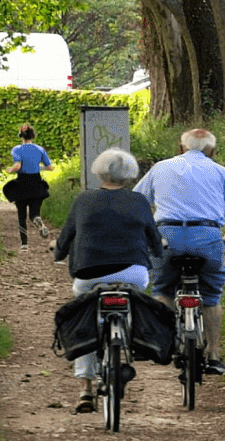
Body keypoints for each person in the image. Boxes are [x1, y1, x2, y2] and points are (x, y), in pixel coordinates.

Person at [54, 148, 163, 413]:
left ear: (99, 171)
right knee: (135, 299)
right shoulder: (138, 201)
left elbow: (67, 236)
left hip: (89, 276)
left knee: (85, 320)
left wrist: (58, 253)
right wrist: (158, 251)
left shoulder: (83, 200)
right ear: (130, 174)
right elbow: (154, 240)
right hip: (133, 273)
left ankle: (85, 389)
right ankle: (131, 339)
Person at [133, 128, 225, 376]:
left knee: (162, 289)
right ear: (212, 151)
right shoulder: (221, 172)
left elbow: (137, 203)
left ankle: (162, 341)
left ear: (181, 147)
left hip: (166, 238)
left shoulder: (160, 168)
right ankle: (214, 355)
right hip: (207, 238)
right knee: (211, 295)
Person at [6, 123, 53, 248]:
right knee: (34, 213)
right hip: (37, 183)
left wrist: (10, 170)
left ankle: (24, 244)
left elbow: (18, 166)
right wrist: (38, 167)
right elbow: (50, 167)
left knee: (21, 215)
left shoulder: (17, 149)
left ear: (21, 136)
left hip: (22, 183)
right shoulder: (40, 149)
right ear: (33, 136)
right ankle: (37, 220)